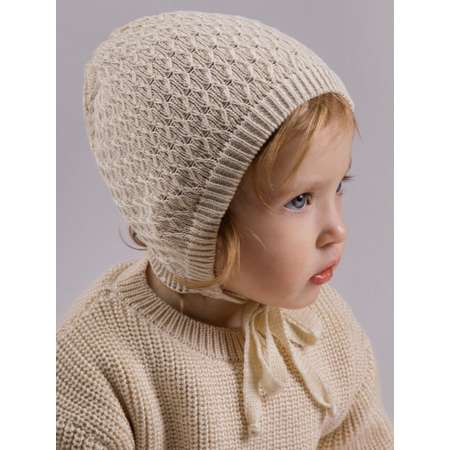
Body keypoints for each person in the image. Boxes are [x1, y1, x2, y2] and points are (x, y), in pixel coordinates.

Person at [57, 10, 394, 449]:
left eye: (339, 186)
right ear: (191, 219)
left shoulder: (325, 329)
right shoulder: (96, 367)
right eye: (299, 200)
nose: (337, 229)